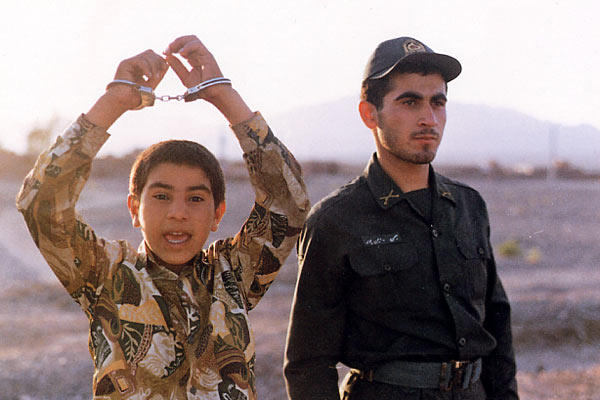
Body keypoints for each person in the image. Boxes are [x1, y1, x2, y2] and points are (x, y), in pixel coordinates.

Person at [17, 35, 309, 399]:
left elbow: (288, 203)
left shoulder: (233, 274)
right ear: (133, 209)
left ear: (218, 213)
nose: (177, 213)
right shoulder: (105, 274)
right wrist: (115, 100)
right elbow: (40, 203)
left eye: (196, 198)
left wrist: (221, 94)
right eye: (161, 196)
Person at [284, 37, 518, 399]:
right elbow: (308, 361)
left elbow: (498, 330)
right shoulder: (335, 220)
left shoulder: (469, 206)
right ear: (369, 114)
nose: (429, 118)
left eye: (437, 102)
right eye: (410, 102)